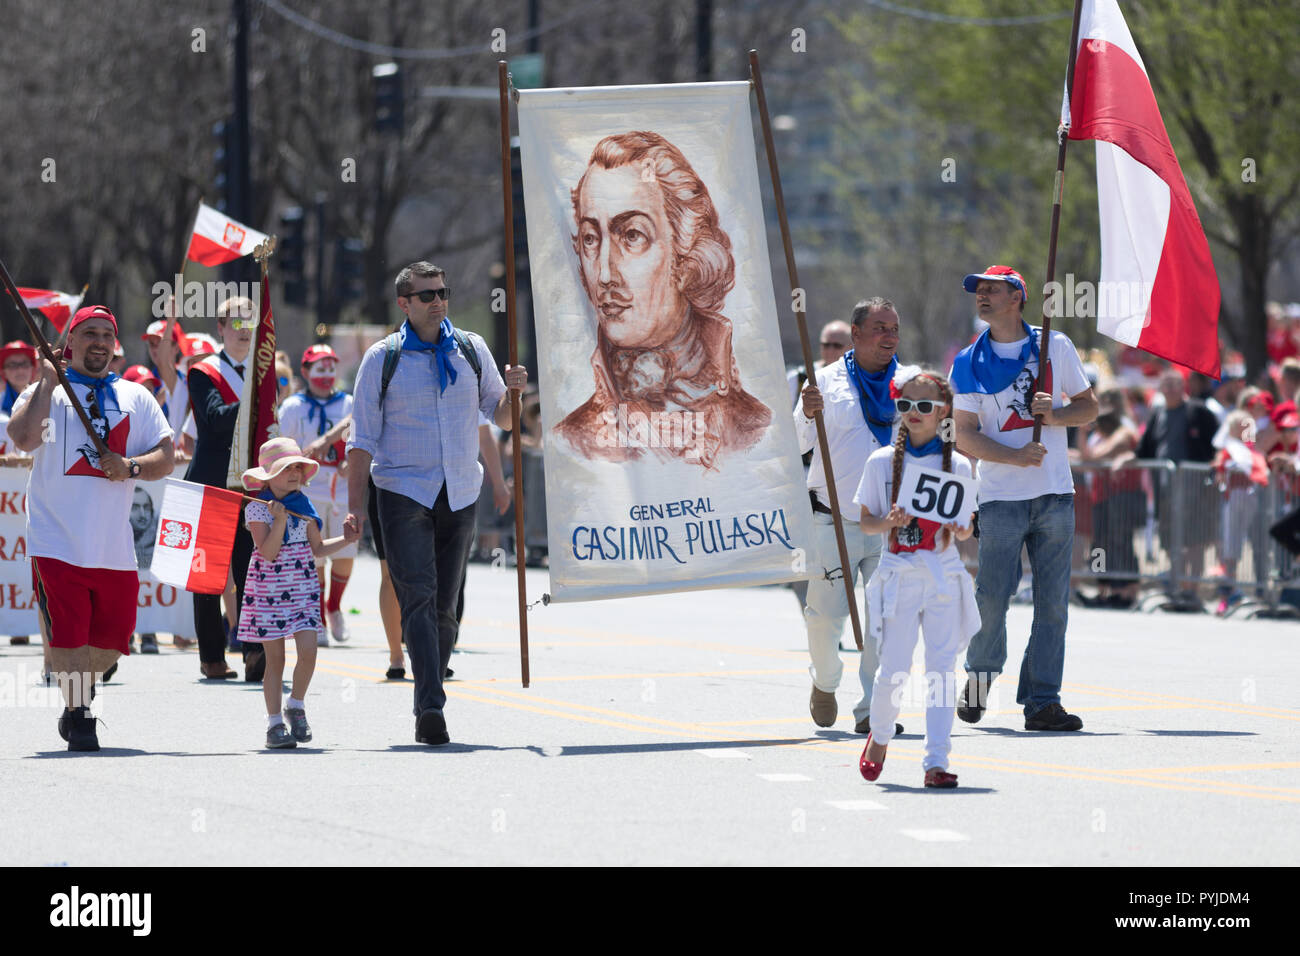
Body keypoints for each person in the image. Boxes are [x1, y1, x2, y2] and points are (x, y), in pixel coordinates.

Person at [345, 262, 527, 746]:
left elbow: (504, 419)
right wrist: (355, 506)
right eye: (427, 295)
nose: (438, 301)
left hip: (461, 490)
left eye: (442, 292)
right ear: (404, 303)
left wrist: (515, 391)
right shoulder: (382, 359)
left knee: (446, 607)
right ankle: (430, 705)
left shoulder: (470, 349)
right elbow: (361, 440)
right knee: (419, 598)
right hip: (403, 491)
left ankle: (430, 684)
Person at [7, 305, 174, 751]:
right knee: (68, 634)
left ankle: (77, 690)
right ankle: (80, 714)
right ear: (71, 343)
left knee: (113, 642)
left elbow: (166, 455)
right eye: (89, 333)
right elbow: (23, 439)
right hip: (55, 539)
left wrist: (132, 465)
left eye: (106, 334)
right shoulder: (47, 391)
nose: (99, 341)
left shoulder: (136, 397)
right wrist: (46, 379)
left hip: (112, 545)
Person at [554, 131, 771, 469]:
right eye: (591, 238)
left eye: (632, 235)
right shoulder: (574, 440)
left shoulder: (755, 430)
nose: (605, 274)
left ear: (687, 257)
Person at [950, 265, 1097, 732]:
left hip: (1055, 495)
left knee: (1053, 604)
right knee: (992, 597)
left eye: (992, 290)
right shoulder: (967, 362)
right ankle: (978, 680)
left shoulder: (1055, 345)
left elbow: (1089, 407)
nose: (982, 297)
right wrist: (1015, 457)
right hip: (999, 497)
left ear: (1017, 297)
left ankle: (1042, 701)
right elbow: (965, 437)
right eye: (979, 291)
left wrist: (1053, 415)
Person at [854, 367, 978, 787]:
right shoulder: (880, 462)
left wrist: (964, 530)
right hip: (899, 575)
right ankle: (881, 736)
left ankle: (936, 761)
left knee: (943, 671)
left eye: (924, 405)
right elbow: (865, 522)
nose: (913, 412)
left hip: (942, 573)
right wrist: (886, 521)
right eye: (905, 404)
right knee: (893, 668)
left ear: (943, 410)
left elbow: (965, 526)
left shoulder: (959, 465)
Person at [795, 298, 904, 734]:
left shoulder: (910, 386)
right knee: (824, 618)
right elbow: (797, 442)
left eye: (894, 328)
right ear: (855, 335)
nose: (889, 335)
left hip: (890, 524)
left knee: (885, 620)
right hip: (831, 519)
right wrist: (807, 412)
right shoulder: (823, 382)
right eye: (879, 327)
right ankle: (824, 681)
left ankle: (872, 711)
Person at [237, 438, 360, 748]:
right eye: (285, 468)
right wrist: (279, 520)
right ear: (267, 475)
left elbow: (318, 547)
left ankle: (296, 705)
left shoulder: (304, 505)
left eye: (296, 467)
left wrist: (344, 540)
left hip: (303, 590)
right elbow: (267, 552)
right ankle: (274, 724)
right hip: (268, 594)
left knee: (309, 651)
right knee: (274, 661)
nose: (293, 473)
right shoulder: (257, 509)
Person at [185, 295, 259, 681]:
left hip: (252, 485)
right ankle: (212, 656)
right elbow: (214, 421)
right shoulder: (203, 371)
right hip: (212, 483)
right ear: (221, 327)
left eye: (251, 322)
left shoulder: (263, 372)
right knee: (209, 577)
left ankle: (254, 652)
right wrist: (255, 397)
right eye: (237, 323)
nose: (245, 330)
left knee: (252, 572)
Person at [277, 344, 356, 646]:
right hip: (309, 489)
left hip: (343, 488)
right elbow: (283, 445)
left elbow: (360, 435)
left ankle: (335, 606)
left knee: (346, 553)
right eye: (319, 368)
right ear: (306, 372)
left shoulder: (348, 402)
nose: (326, 375)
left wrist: (352, 461)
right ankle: (319, 614)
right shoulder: (294, 406)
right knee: (315, 555)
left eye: (330, 368)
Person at [1125, 367, 1220, 603]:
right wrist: (1124, 459)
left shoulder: (1198, 411)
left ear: (1183, 386)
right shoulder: (1157, 414)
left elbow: (1217, 445)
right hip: (1166, 491)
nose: (1169, 388)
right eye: (1165, 384)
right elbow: (1144, 449)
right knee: (1169, 538)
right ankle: (1177, 584)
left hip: (1196, 489)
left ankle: (1192, 589)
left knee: (1194, 540)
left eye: (1174, 383)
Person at [140, 309, 188, 441]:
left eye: (161, 344)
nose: (156, 350)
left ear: (176, 348)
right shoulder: (141, 380)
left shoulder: (188, 380)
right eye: (152, 344)